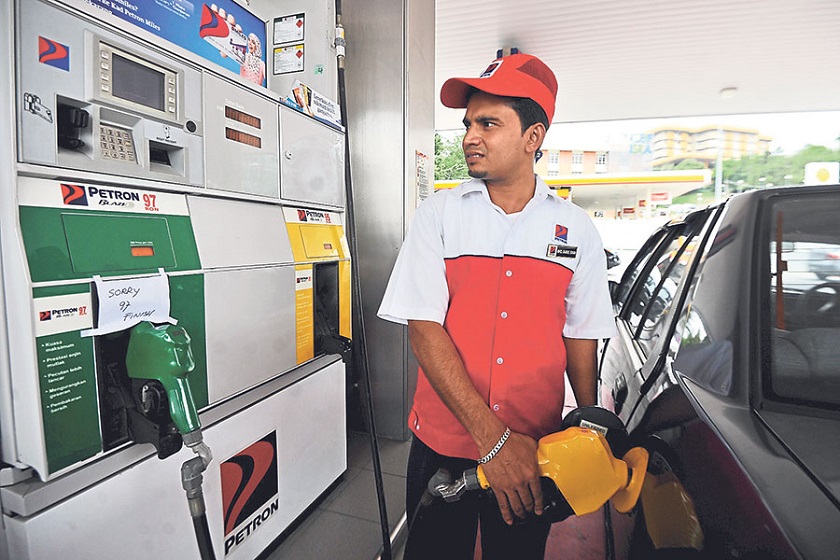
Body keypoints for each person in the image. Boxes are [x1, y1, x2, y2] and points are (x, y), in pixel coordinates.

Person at [377, 52, 616, 559]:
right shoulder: (438, 216)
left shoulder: (576, 229)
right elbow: (424, 330)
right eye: (468, 124)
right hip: (444, 443)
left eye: (489, 123)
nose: (469, 136)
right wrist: (494, 441)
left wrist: (590, 422)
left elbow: (580, 331)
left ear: (533, 138)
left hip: (535, 451)